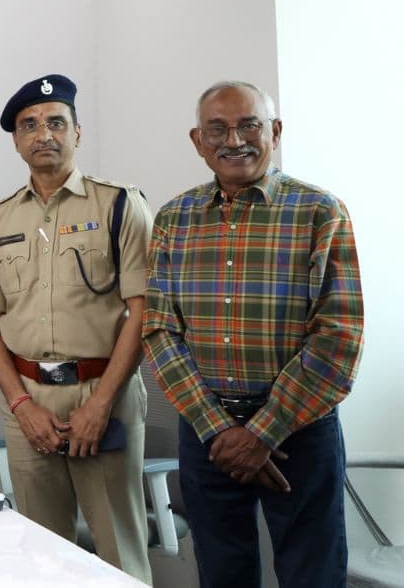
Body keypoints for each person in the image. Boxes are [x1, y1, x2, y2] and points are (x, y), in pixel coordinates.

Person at [144, 81, 363, 588]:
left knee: (313, 574)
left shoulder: (319, 212)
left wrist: (263, 432)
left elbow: (339, 334)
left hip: (300, 432)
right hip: (206, 432)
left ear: (275, 132)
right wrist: (219, 429)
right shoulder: (174, 219)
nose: (234, 140)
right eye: (217, 129)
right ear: (198, 141)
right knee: (221, 573)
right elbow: (159, 328)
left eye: (249, 125)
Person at [0, 75, 153, 583]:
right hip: (28, 399)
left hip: (104, 394)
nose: (43, 134)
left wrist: (100, 405)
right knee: (40, 556)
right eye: (29, 125)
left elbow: (142, 312)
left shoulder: (119, 204)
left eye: (56, 122)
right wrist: (21, 405)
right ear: (16, 140)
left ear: (78, 132)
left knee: (119, 552)